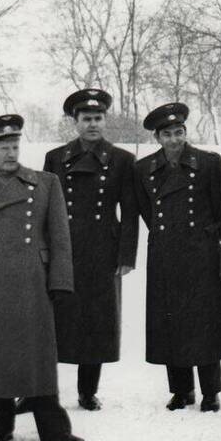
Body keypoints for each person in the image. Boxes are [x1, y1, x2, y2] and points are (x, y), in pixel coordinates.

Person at [0, 114, 85, 441]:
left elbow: (61, 238)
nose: (10, 153)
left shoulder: (45, 183)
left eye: (15, 145)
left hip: (34, 280)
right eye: (3, 147)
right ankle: (1, 428)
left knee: (38, 356)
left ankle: (54, 431)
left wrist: (60, 280)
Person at [41, 88, 138, 411]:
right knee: (57, 320)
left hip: (102, 251)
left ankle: (87, 392)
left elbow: (130, 211)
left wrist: (126, 256)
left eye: (98, 118)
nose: (93, 124)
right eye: (86, 119)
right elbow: (45, 208)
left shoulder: (123, 160)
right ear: (75, 122)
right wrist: (45, 252)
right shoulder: (56, 158)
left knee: (97, 322)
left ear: (105, 120)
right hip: (64, 249)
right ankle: (44, 392)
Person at [134, 103, 221, 411]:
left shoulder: (208, 163)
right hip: (164, 254)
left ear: (186, 132)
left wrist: (205, 240)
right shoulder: (144, 169)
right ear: (157, 138)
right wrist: (169, 236)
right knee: (170, 322)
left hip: (201, 254)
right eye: (167, 134)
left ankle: (210, 392)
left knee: (205, 323)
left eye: (179, 132)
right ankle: (181, 390)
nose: (174, 139)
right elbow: (147, 211)